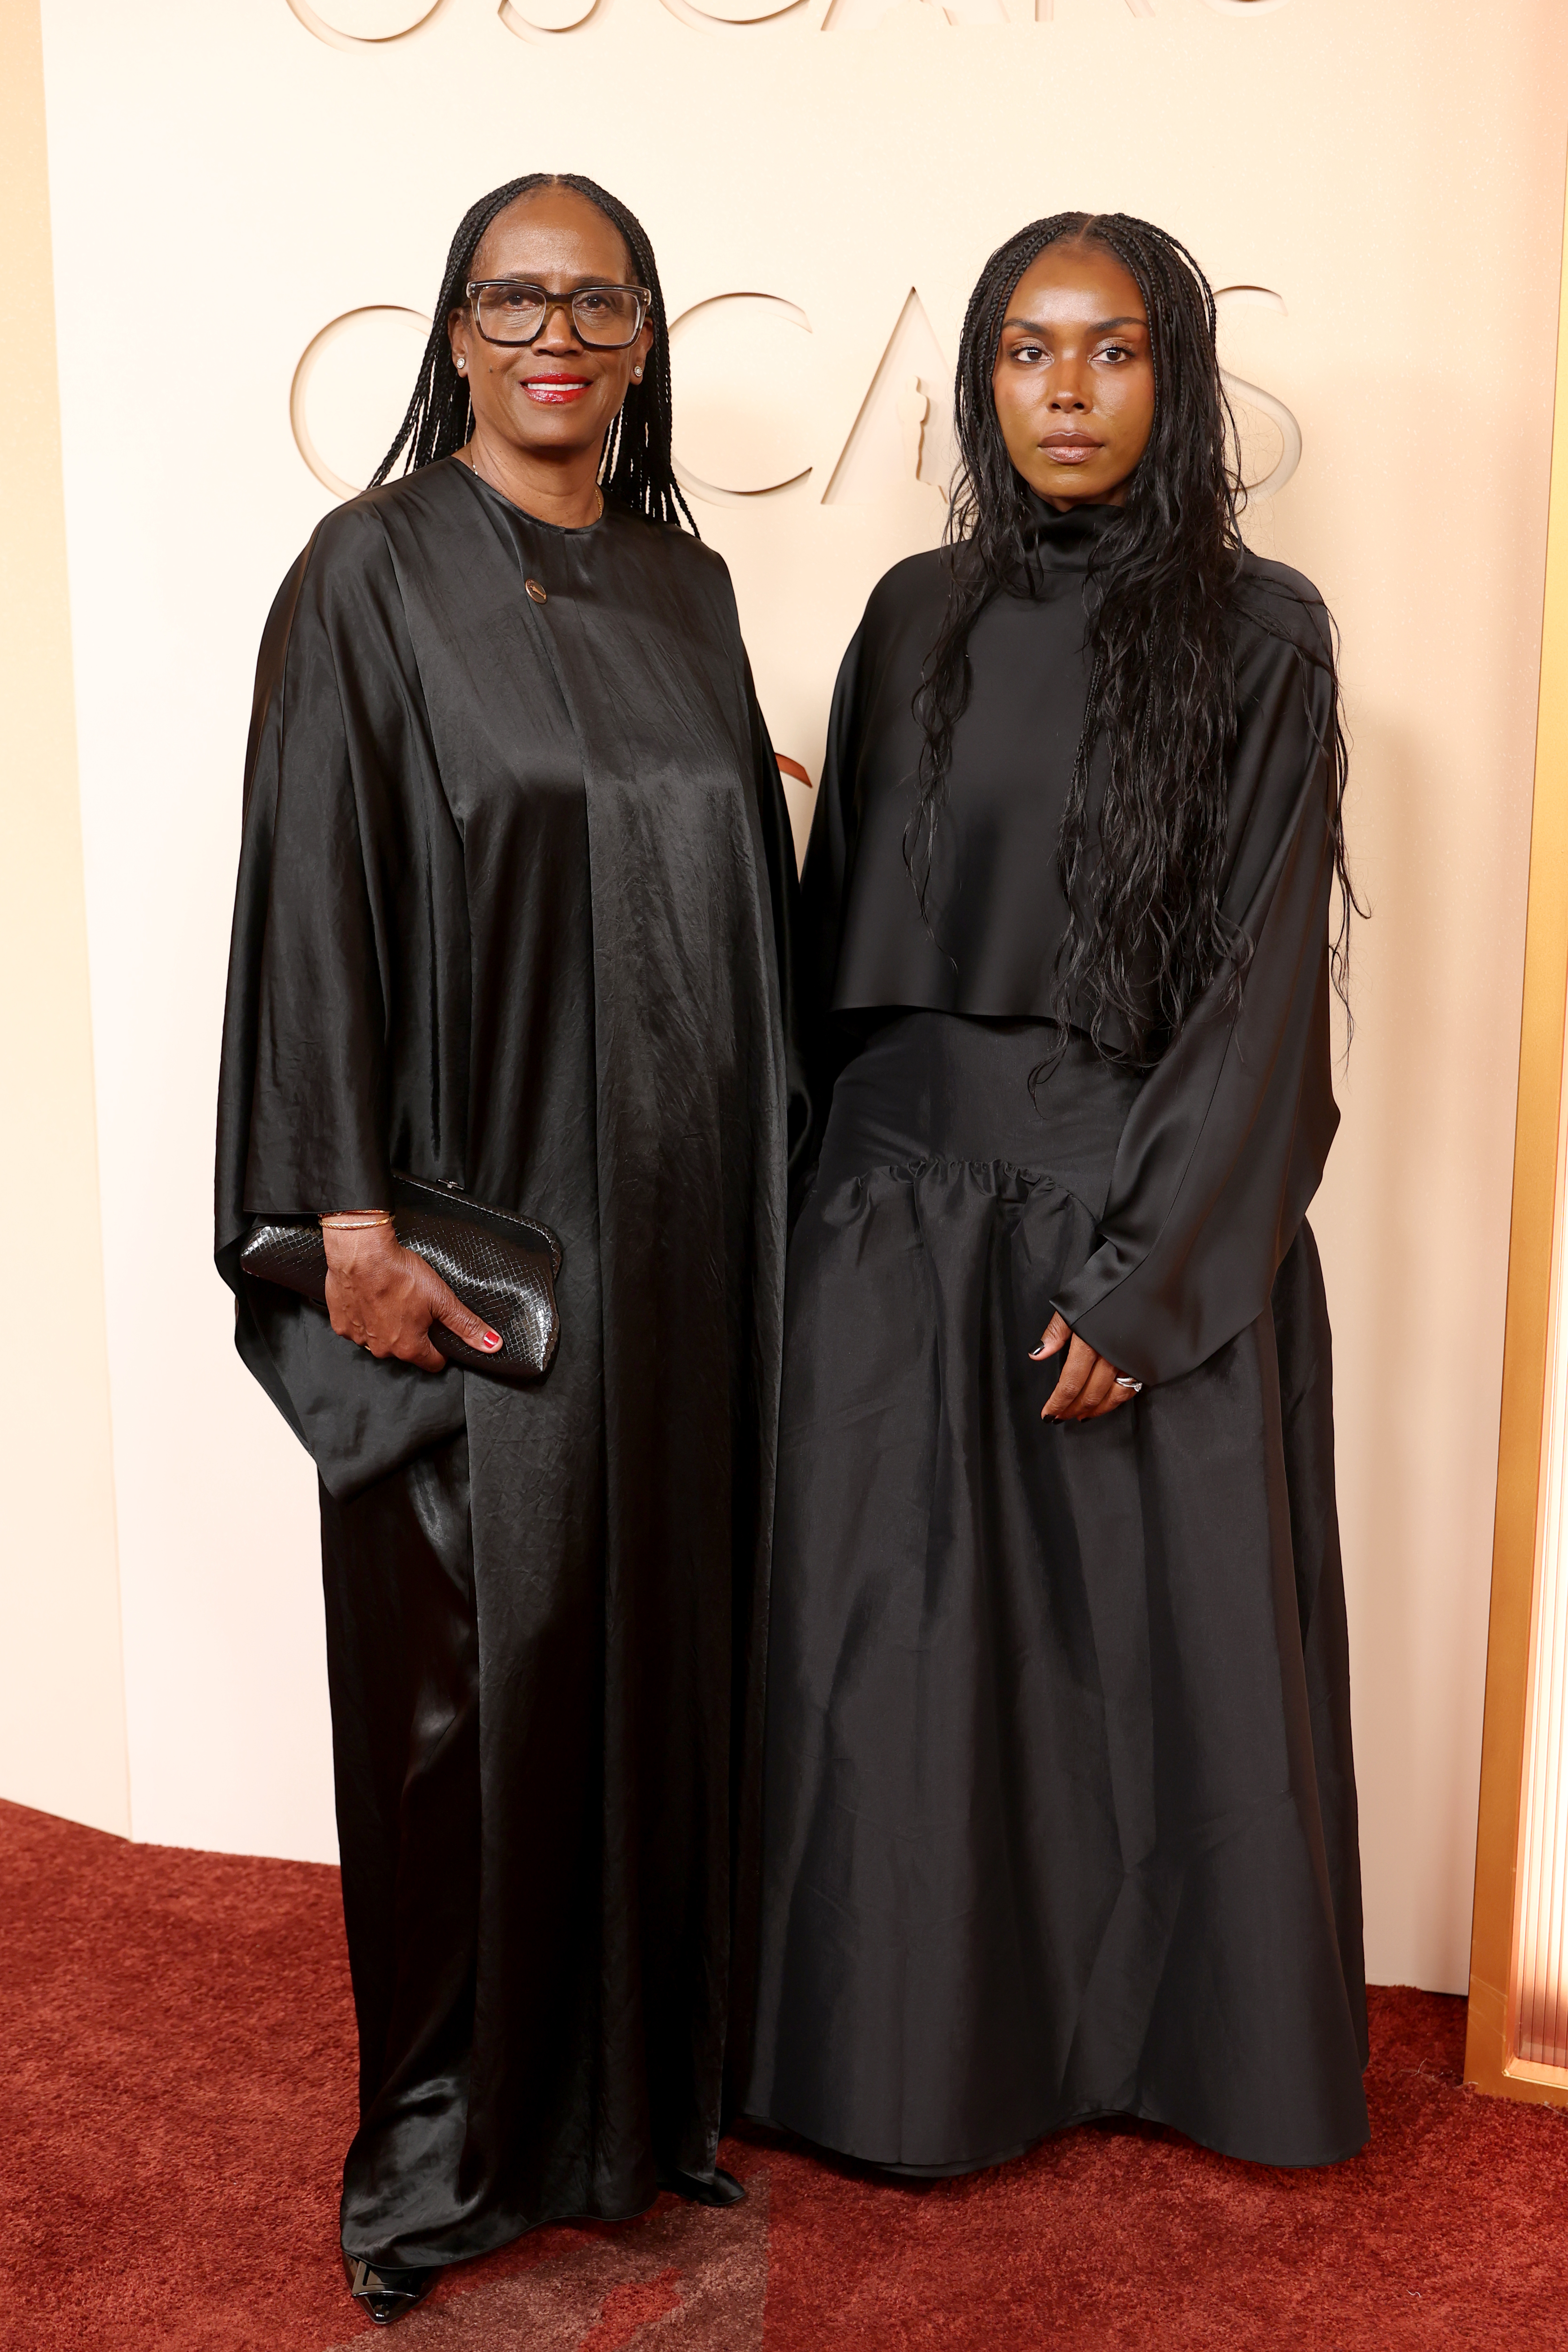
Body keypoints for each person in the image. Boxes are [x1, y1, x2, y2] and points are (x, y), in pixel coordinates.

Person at [215, 172, 804, 2324]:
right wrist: (341, 1218)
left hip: (681, 1249)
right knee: (469, 1699)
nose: (558, 330)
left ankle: (639, 2113)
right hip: (474, 1248)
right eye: (516, 296)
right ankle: (442, 2158)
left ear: (645, 337)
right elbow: (312, 895)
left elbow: (707, 887)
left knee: (657, 1674)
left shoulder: (690, 586)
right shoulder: (367, 576)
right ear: (456, 331)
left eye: (599, 299)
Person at [745, 212, 1368, 2176]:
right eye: (1027, 351)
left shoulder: (1264, 629)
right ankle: (893, 2063)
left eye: (1109, 352)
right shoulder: (910, 612)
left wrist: (1150, 1273)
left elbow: (1268, 983)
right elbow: (840, 939)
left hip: (1123, 1193)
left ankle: (1162, 2051)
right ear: (983, 379)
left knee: (1136, 1667)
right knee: (893, 1661)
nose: (1067, 390)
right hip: (890, 1203)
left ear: (1173, 381)